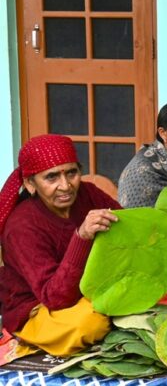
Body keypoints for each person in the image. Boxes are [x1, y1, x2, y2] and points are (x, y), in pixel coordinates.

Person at [0, 134, 120, 357]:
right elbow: (55, 298)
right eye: (51, 177)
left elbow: (126, 229)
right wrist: (82, 237)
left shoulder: (88, 193)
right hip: (40, 307)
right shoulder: (22, 226)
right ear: (30, 183)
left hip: (89, 290)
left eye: (71, 173)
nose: (65, 186)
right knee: (92, 323)